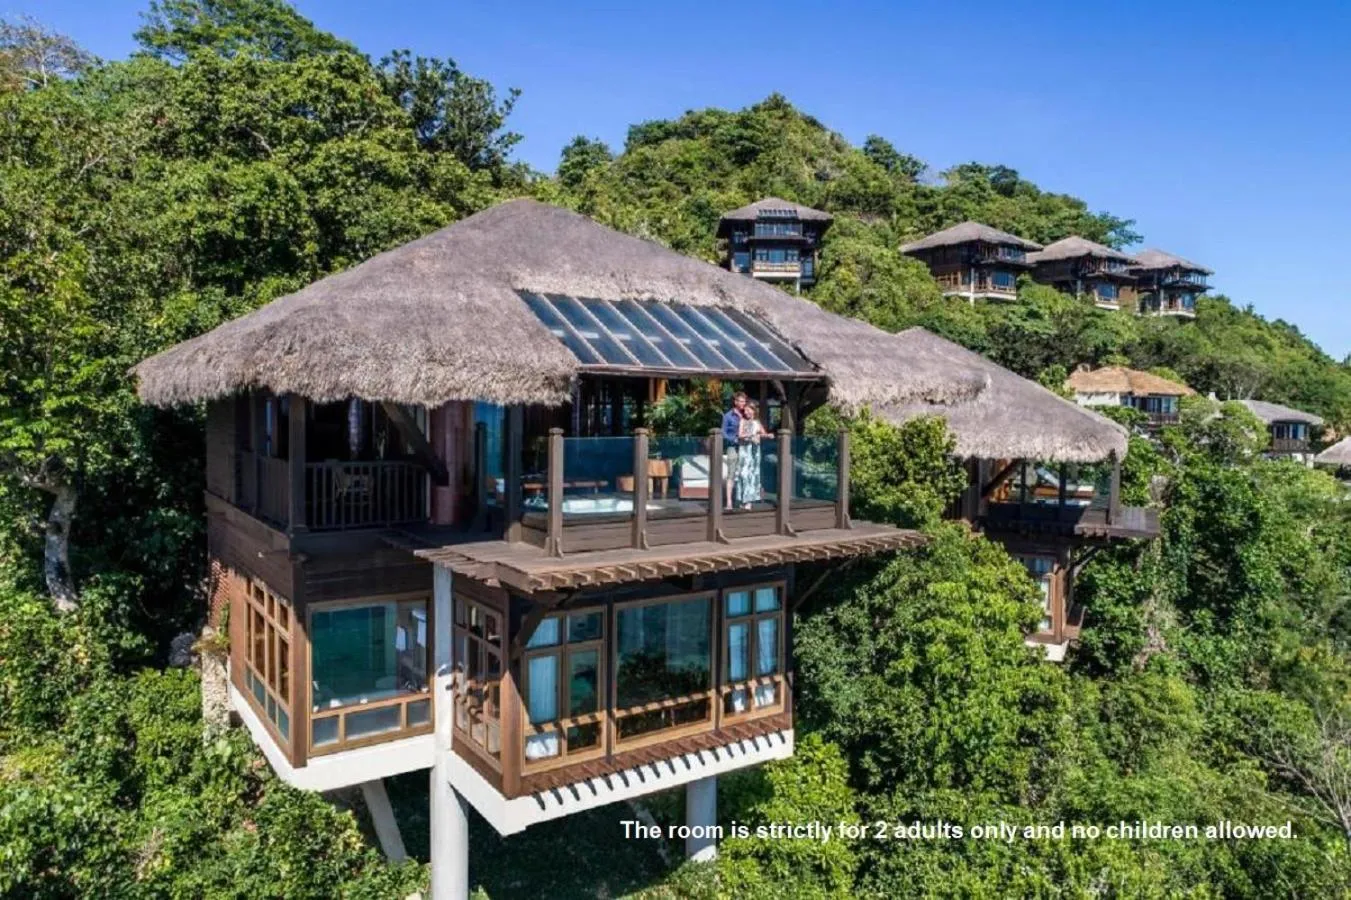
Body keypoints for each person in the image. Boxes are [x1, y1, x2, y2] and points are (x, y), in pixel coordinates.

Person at [734, 401, 765, 509]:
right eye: (745, 410)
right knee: (743, 474)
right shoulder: (743, 421)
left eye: (748, 410)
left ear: (753, 410)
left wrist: (766, 436)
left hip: (754, 451)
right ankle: (742, 499)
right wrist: (751, 435)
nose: (746, 412)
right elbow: (739, 435)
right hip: (744, 450)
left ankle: (748, 501)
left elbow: (763, 433)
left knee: (752, 474)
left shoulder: (757, 422)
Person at [721, 391, 748, 509]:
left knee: (744, 474)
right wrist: (734, 439)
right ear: (735, 402)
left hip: (745, 447)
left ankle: (743, 501)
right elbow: (723, 432)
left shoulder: (747, 414)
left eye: (744, 401)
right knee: (731, 473)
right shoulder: (728, 416)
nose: (743, 403)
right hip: (733, 447)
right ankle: (729, 502)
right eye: (741, 401)